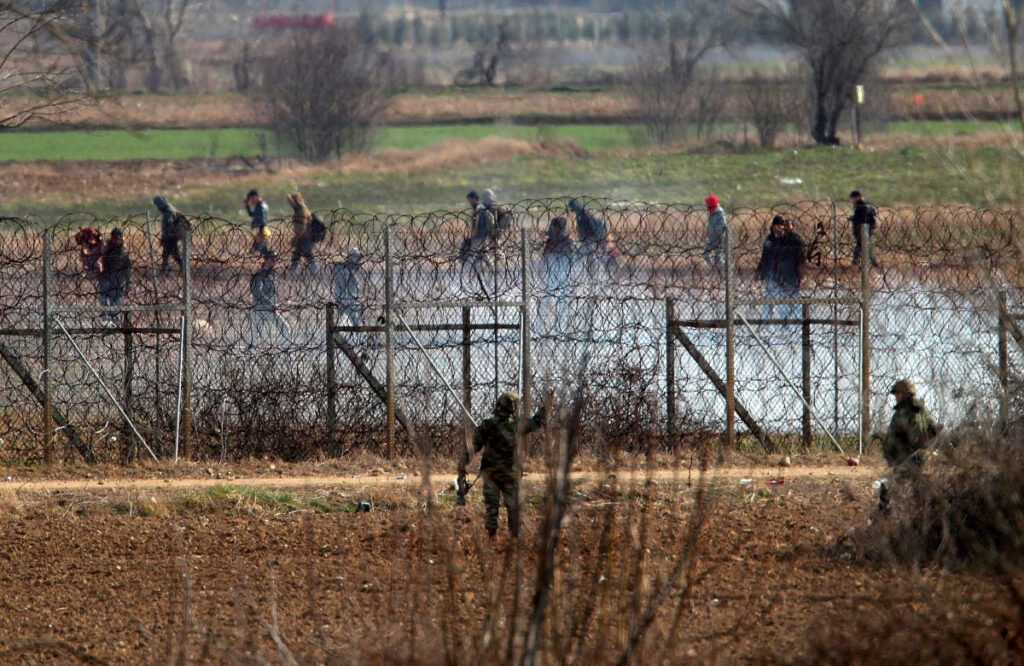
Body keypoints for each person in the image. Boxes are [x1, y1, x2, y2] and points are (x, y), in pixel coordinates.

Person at [463, 392, 546, 538]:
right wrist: (546, 407)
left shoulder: (487, 425)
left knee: (491, 507)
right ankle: (514, 539)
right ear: (514, 408)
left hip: (491, 474)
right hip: (510, 474)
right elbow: (537, 421)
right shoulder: (518, 425)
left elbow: (473, 448)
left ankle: (491, 536)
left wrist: (462, 465)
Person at [879, 379, 941, 512]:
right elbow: (933, 430)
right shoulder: (922, 411)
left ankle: (884, 517)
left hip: (906, 459)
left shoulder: (902, 413)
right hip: (921, 457)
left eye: (898, 394)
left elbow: (892, 439)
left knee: (888, 486)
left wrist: (891, 455)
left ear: (905, 394)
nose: (896, 397)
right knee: (914, 486)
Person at [756, 215, 806, 319]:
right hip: (771, 274)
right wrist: (760, 270)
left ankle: (788, 322)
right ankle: (768, 321)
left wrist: (801, 273)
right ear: (774, 226)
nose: (781, 228)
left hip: (784, 275)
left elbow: (799, 257)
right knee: (769, 300)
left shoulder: (787, 240)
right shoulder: (770, 239)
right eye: (779, 226)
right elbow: (765, 255)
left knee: (786, 301)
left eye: (782, 226)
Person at [541, 216, 575, 337]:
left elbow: (573, 262)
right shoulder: (552, 242)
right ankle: (543, 329)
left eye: (554, 227)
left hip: (562, 277)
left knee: (561, 305)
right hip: (553, 277)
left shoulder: (565, 242)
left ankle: (560, 329)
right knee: (546, 303)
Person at [249, 249, 290, 347]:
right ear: (266, 260)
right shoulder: (259, 275)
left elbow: (272, 292)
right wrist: (271, 303)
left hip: (269, 309)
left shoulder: (273, 274)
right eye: (272, 260)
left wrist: (278, 302)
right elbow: (257, 292)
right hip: (260, 309)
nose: (274, 262)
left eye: (275, 260)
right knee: (255, 337)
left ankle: (283, 351)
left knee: (285, 329)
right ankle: (250, 358)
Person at [568, 198, 616, 277]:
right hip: (590, 240)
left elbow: (593, 226)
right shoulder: (580, 214)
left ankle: (592, 277)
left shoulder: (584, 214)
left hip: (591, 240)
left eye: (572, 207)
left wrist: (596, 239)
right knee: (592, 258)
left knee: (582, 257)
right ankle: (592, 277)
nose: (571, 210)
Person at [98, 228, 132, 327]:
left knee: (116, 303)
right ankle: (105, 320)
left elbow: (128, 269)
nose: (115, 241)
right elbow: (102, 259)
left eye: (117, 239)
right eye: (114, 238)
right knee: (104, 300)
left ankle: (115, 323)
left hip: (118, 280)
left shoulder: (124, 252)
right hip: (106, 277)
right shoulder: (108, 248)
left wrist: (128, 283)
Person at [153, 195, 186, 273]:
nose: (157, 207)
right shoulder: (169, 210)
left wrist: (165, 237)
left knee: (174, 254)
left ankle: (182, 268)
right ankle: (165, 269)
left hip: (170, 237)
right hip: (170, 236)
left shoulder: (168, 212)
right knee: (167, 254)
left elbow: (168, 227)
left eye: (157, 205)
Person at [286, 191, 317, 273]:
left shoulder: (301, 211)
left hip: (305, 237)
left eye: (292, 201)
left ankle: (317, 271)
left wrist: (295, 238)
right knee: (297, 254)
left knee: (308, 254)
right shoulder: (299, 210)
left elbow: (301, 228)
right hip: (302, 237)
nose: (291, 203)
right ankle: (292, 271)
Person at [331, 248, 363, 328]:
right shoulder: (342, 268)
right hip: (346, 301)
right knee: (350, 324)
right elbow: (340, 285)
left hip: (351, 301)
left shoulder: (353, 270)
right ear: (351, 258)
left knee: (349, 324)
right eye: (357, 258)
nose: (359, 261)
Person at [848, 190, 879, 267]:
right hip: (865, 230)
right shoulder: (866, 205)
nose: (852, 200)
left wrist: (852, 219)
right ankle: (873, 264)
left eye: (853, 198)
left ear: (857, 197)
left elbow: (862, 219)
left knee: (862, 246)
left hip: (863, 230)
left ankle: (856, 261)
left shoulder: (861, 206)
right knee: (863, 246)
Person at [703, 194, 726, 268]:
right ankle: (713, 267)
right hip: (712, 237)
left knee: (718, 256)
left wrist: (717, 233)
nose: (707, 208)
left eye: (708, 206)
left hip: (719, 238)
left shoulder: (720, 213)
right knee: (706, 253)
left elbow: (723, 225)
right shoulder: (712, 213)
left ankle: (724, 268)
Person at [246, 189, 271, 255]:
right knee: (261, 247)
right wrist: (247, 206)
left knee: (260, 247)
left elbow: (263, 220)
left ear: (255, 197)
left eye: (251, 200)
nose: (251, 202)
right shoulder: (258, 205)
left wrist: (260, 231)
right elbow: (252, 215)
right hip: (258, 229)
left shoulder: (262, 206)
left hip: (261, 229)